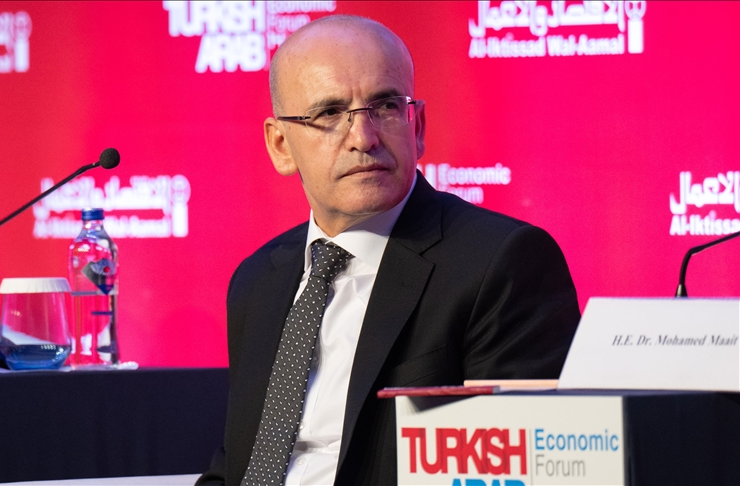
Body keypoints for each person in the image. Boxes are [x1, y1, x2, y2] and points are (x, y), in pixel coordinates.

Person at [197, 15, 580, 486]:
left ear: (417, 127)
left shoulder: (500, 262)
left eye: (384, 106)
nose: (364, 138)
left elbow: (517, 469)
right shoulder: (258, 280)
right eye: (329, 113)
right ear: (281, 145)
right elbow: (240, 466)